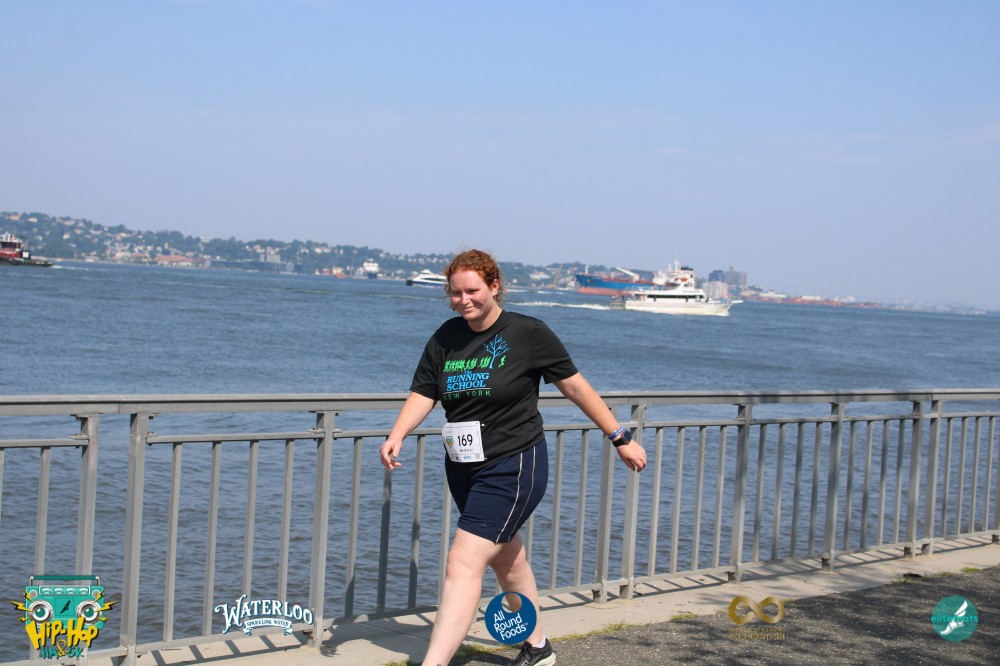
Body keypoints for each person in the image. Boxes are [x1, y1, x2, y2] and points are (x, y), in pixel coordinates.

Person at [379, 249, 647, 666]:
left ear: (494, 286)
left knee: (462, 561)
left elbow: (576, 387)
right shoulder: (446, 336)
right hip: (463, 466)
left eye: (472, 291)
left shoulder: (528, 333)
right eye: (455, 293)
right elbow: (425, 392)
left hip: (514, 464)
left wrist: (619, 436)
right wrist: (397, 434)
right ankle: (538, 647)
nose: (463, 300)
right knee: (507, 558)